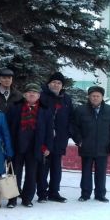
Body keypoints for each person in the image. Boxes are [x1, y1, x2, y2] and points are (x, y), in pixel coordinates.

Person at [6, 83, 53, 208]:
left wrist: (47, 147)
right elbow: (8, 128)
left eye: (35, 93)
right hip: (17, 145)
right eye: (29, 92)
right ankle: (12, 199)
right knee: (13, 173)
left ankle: (27, 199)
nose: (32, 94)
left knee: (31, 174)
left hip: (35, 147)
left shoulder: (45, 110)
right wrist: (7, 145)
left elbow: (49, 130)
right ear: (25, 94)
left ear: (39, 95)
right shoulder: (15, 108)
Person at [71, 85, 110, 203]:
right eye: (93, 96)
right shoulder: (80, 110)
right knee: (86, 172)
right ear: (89, 97)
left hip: (103, 147)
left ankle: (100, 194)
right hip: (86, 146)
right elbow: (74, 127)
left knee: (101, 173)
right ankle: (85, 194)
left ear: (102, 97)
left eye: (98, 96)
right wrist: (79, 140)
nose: (95, 98)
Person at [37, 72, 72, 203]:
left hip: (60, 139)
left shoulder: (66, 99)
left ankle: (54, 192)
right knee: (43, 167)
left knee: (56, 168)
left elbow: (71, 118)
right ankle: (42, 193)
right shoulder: (42, 97)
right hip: (45, 139)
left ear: (62, 85)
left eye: (59, 83)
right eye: (54, 82)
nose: (56, 85)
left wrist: (67, 133)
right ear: (48, 83)